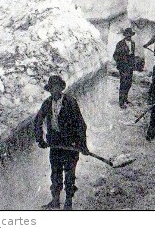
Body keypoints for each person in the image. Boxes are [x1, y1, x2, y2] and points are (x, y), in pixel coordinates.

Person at [34, 75, 88, 211]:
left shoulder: (70, 102)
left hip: (71, 144)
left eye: (57, 87)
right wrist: (40, 139)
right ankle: (55, 200)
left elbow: (81, 124)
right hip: (56, 143)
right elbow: (38, 121)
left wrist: (82, 144)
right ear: (50, 90)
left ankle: (68, 202)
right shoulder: (47, 103)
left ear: (61, 88)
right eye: (52, 88)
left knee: (69, 173)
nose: (54, 91)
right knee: (56, 172)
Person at [113, 27, 136, 108]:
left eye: (130, 35)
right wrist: (119, 64)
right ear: (125, 35)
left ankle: (125, 98)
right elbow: (115, 55)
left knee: (129, 83)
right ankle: (121, 102)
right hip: (123, 66)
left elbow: (132, 55)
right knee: (123, 83)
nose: (129, 36)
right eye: (127, 35)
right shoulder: (120, 44)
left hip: (130, 66)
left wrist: (133, 63)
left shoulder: (133, 43)